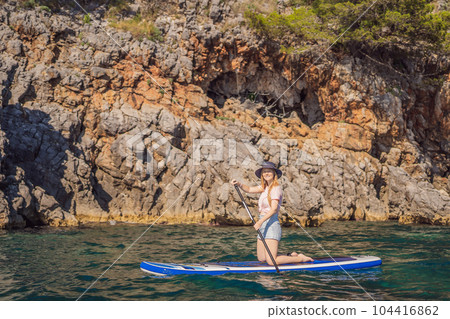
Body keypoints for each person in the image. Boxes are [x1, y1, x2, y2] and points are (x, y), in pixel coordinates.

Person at [231, 161, 314, 265]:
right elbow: (249, 189)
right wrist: (239, 184)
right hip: (263, 224)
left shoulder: (276, 188)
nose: (266, 173)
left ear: (274, 173)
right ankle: (291, 256)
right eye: (264, 171)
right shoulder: (264, 188)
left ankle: (301, 258)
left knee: (271, 261)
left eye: (269, 171)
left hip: (271, 224)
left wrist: (260, 222)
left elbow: (274, 209)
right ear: (262, 174)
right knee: (261, 258)